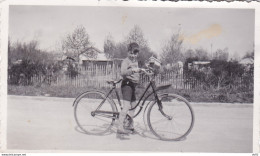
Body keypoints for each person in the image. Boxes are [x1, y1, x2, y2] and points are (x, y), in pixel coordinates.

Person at [117, 42, 141, 138]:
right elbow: (123, 72)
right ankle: (120, 127)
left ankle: (129, 124)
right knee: (126, 106)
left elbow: (137, 72)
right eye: (131, 53)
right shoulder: (126, 61)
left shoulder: (135, 61)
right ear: (128, 52)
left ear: (137, 54)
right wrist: (132, 70)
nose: (133, 56)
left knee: (133, 106)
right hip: (126, 85)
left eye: (135, 54)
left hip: (133, 86)